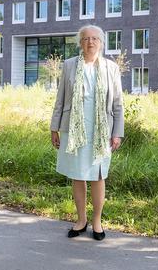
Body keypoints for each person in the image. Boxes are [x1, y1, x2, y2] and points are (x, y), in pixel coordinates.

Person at [50, 24, 124, 240]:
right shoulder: (69, 65)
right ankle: (81, 219)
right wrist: (54, 127)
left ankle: (97, 221)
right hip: (73, 129)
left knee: (98, 175)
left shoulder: (111, 68)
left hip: (101, 131)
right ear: (80, 43)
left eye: (94, 39)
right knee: (77, 174)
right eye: (86, 39)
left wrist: (117, 132)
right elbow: (61, 98)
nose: (90, 42)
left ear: (101, 43)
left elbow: (118, 104)